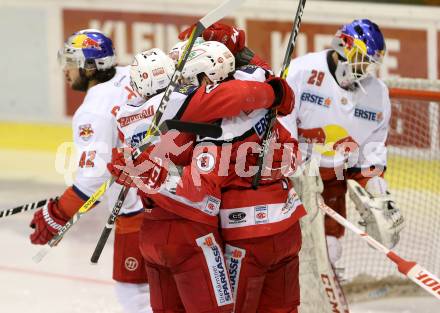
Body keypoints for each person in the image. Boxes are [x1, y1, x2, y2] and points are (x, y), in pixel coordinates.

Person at [108, 40, 295, 313]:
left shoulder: (123, 116)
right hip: (197, 231)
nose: (184, 82)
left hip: (151, 232)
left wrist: (147, 175)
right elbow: (237, 96)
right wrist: (277, 92)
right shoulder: (191, 105)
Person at [28, 29, 151, 313]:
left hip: (138, 213)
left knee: (136, 296)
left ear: (90, 66)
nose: (66, 71)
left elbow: (93, 181)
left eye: (71, 62)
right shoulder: (132, 74)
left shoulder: (93, 110)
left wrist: (57, 214)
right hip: (178, 199)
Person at [285, 18, 405, 282]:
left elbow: (371, 151)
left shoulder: (377, 94)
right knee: (284, 250)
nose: (365, 68)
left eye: (370, 62)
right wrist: (292, 171)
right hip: (291, 179)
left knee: (330, 250)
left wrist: (377, 192)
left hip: (333, 182)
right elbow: (279, 125)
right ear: (345, 46)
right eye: (362, 58)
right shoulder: (302, 71)